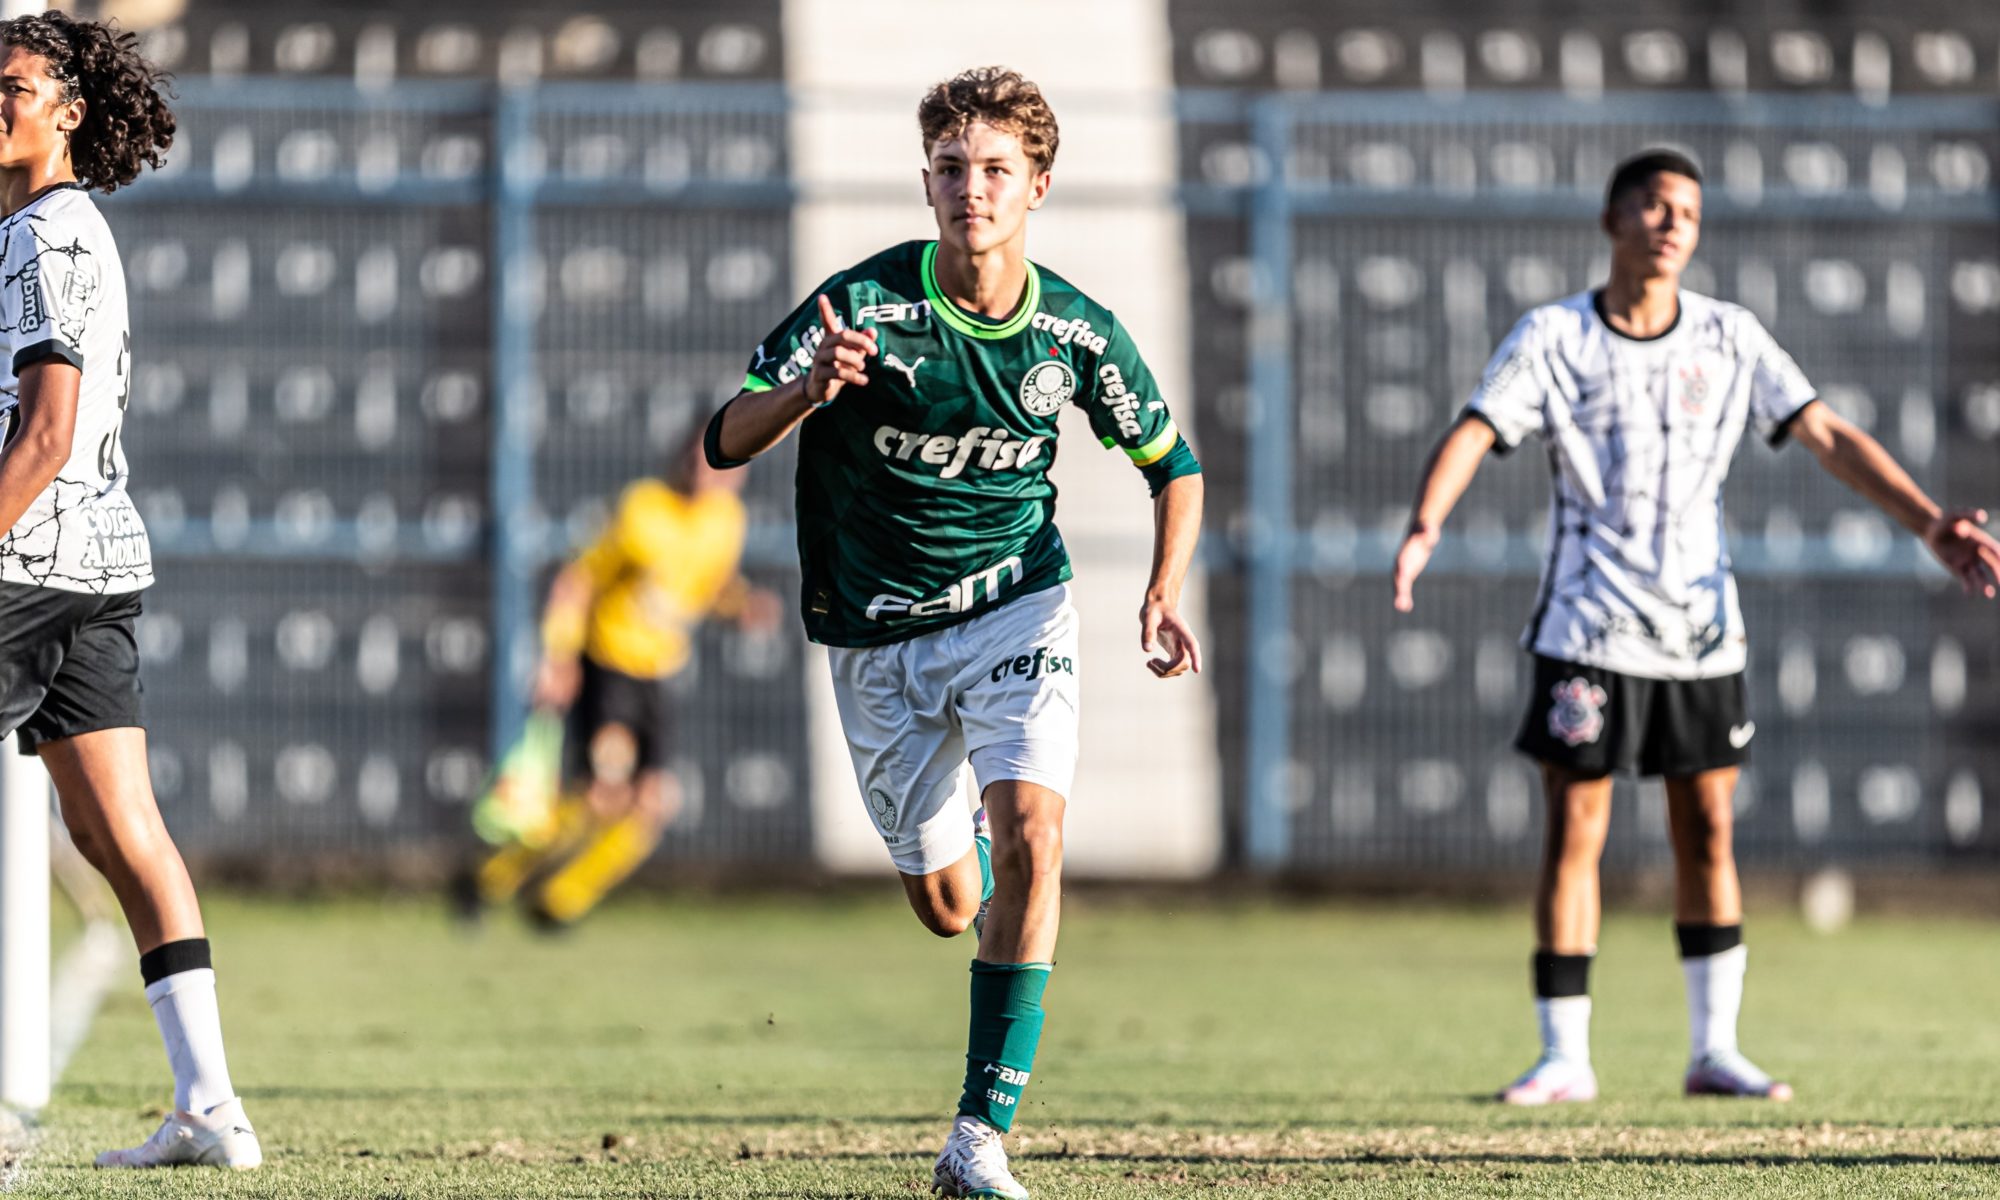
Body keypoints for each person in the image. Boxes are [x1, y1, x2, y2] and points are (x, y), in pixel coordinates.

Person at [1393, 149, 2000, 1106]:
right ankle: (1564, 1056)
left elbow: (1827, 433)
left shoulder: (1729, 336)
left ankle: (1714, 1049)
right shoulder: (1554, 335)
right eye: (1655, 204)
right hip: (1587, 631)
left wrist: (1930, 522)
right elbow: (1476, 427)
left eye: (1689, 211)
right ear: (1613, 218)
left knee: (1708, 827)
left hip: (1701, 635)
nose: (1674, 223)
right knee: (1575, 829)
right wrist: (1427, 523)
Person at [705, 66, 1203, 1199]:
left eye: (993, 171)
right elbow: (723, 439)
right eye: (948, 169)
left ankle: (978, 1137)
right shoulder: (864, 309)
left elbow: (1172, 466)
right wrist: (807, 394)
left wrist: (1162, 588)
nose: (968, 189)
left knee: (1033, 829)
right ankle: (969, 876)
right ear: (923, 182)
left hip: (1016, 607)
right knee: (948, 908)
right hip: (874, 638)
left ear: (1037, 185)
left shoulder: (1076, 331)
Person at [0, 11, 261, 1169]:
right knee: (118, 829)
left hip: (28, 559)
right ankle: (211, 1106)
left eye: (11, 85)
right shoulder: (57, 226)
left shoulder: (45, 238)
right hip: (96, 565)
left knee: (122, 833)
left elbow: (46, 433)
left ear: (69, 111)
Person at [462, 437, 778, 929]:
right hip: (609, 664)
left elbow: (709, 586)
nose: (705, 474)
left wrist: (741, 608)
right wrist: (559, 655)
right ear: (678, 459)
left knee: (652, 802)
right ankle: (492, 879)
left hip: (659, 672)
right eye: (695, 461)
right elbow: (578, 579)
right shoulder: (641, 509)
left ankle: (559, 900)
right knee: (603, 794)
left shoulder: (726, 521)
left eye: (718, 466)